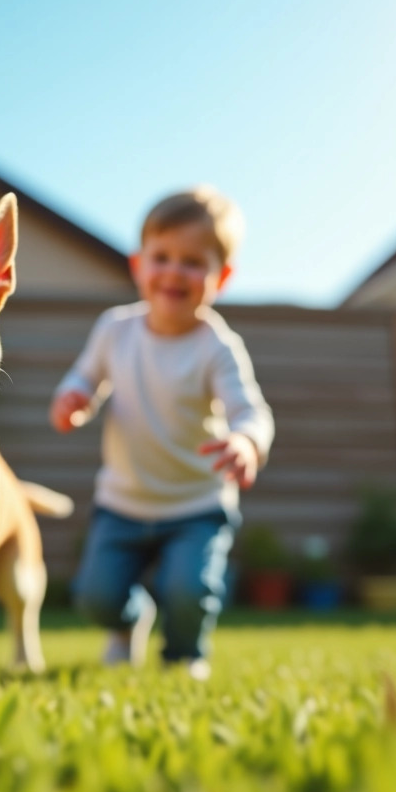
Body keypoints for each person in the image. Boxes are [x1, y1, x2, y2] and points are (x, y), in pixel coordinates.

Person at [49, 186, 274, 679]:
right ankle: (130, 622)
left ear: (223, 277)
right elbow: (86, 376)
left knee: (189, 591)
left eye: (193, 262)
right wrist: (75, 397)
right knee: (95, 596)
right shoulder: (115, 329)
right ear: (138, 264)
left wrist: (245, 440)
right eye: (162, 257)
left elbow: (251, 410)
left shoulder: (216, 346)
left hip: (196, 505)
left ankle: (184, 658)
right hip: (123, 502)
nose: (174, 271)